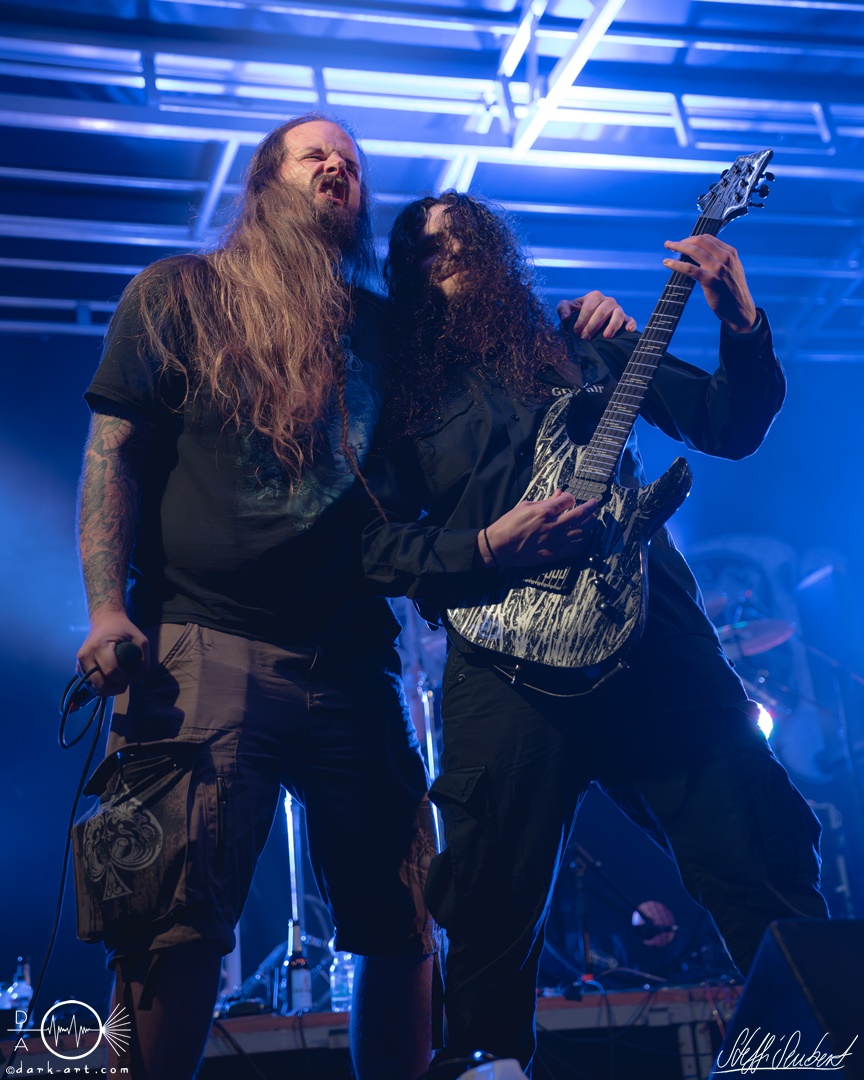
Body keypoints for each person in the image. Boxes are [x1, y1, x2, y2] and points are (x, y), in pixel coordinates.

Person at [72, 113, 630, 1080]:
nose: (338, 167)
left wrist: (578, 324)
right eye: (314, 155)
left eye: (353, 164)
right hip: (203, 640)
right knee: (174, 921)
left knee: (403, 918)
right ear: (264, 182)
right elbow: (113, 452)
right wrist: (105, 608)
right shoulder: (178, 294)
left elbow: (486, 371)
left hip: (353, 657)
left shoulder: (381, 327)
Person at [361, 192, 830, 1076]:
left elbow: (728, 424)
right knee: (489, 914)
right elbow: (371, 546)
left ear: (501, 255)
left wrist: (740, 321)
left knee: (758, 858)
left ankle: (815, 1051)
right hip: (502, 664)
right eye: (425, 251)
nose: (447, 255)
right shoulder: (398, 398)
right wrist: (485, 546)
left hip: (653, 641)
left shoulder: (587, 343)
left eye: (466, 239)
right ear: (405, 280)